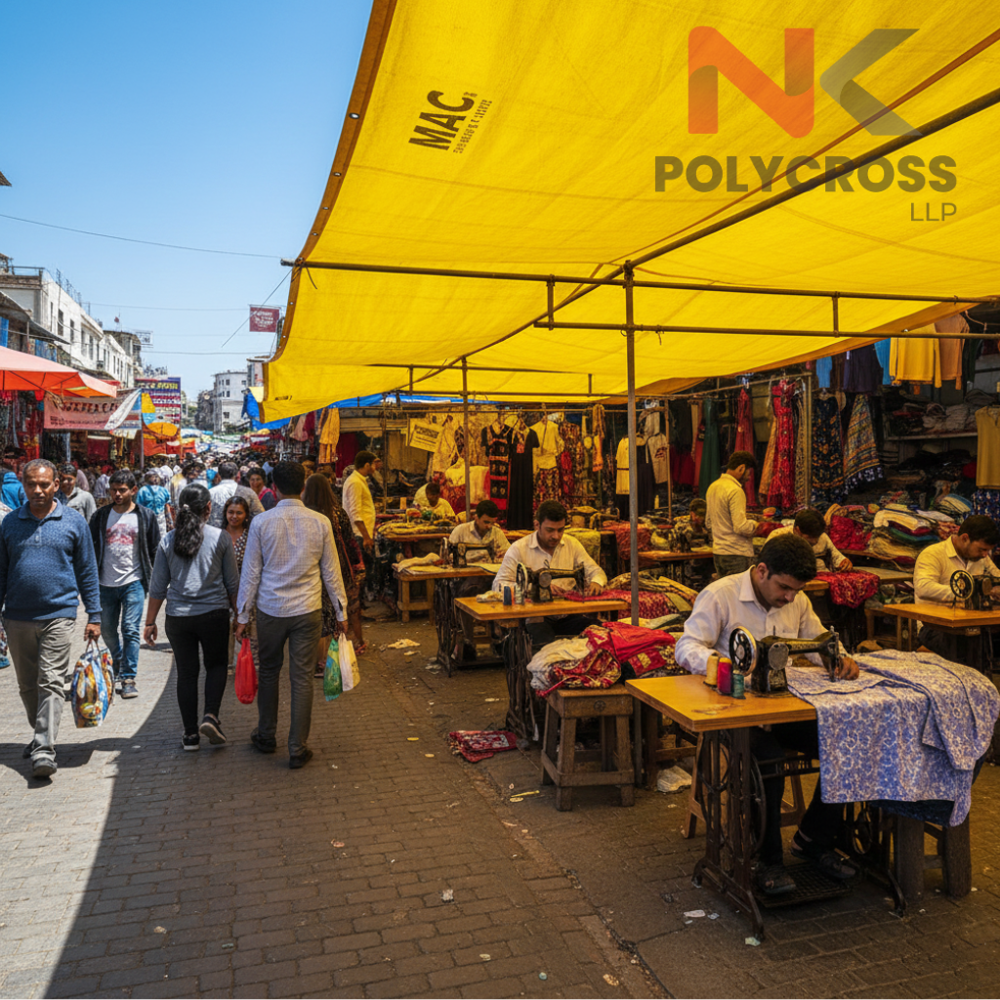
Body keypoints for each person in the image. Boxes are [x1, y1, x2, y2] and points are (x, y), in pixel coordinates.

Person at [675, 533, 860, 895]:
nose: (790, 597)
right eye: (785, 588)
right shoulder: (721, 595)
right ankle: (767, 859)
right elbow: (686, 646)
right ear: (761, 571)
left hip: (782, 707)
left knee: (846, 746)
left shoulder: (797, 600)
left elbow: (817, 640)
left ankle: (813, 840)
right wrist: (724, 667)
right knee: (767, 761)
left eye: (796, 590)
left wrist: (836, 658)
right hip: (733, 712)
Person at [235, 462, 349, 769]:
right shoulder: (320, 522)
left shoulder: (261, 523)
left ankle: (266, 735)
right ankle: (297, 747)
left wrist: (243, 616)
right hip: (307, 610)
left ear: (274, 487)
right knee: (302, 678)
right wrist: (341, 611)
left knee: (269, 672)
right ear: (302, 487)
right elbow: (332, 571)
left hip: (270, 610)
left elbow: (251, 573)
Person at [0, 459, 102, 779]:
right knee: (27, 685)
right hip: (17, 617)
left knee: (51, 681)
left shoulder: (73, 522)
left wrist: (94, 615)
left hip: (59, 614)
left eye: (44, 484)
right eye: (31, 484)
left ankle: (44, 747)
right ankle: (40, 731)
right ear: (23, 485)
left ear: (56, 485)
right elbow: (1, 572)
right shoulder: (10, 523)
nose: (38, 490)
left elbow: (87, 571)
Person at [145, 483, 239, 751]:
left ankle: (189, 735)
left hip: (178, 618)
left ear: (178, 509)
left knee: (186, 673)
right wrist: (241, 617)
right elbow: (233, 584)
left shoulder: (168, 540)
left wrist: (150, 622)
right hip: (214, 615)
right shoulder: (221, 538)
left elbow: (157, 587)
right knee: (216, 666)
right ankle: (210, 716)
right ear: (209, 508)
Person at [493, 499, 607, 648]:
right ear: (537, 525)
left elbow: (595, 571)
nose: (556, 536)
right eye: (550, 530)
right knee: (548, 648)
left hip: (567, 614)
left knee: (603, 634)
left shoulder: (572, 544)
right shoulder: (519, 549)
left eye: (560, 530)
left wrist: (596, 582)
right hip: (536, 616)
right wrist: (534, 588)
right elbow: (499, 585)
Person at [90, 470, 161, 699]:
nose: (117, 494)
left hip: (134, 582)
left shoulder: (146, 516)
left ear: (133, 490)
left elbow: (154, 549)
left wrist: (158, 580)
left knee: (130, 628)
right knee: (107, 630)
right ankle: (119, 661)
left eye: (122, 490)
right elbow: (90, 548)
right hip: (104, 584)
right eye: (113, 490)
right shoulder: (100, 516)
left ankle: (128, 677)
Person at [913, 515, 1000, 663]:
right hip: (937, 627)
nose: (985, 555)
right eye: (982, 549)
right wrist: (968, 593)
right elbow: (923, 588)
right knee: (971, 641)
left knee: (980, 636)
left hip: (972, 623)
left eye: (987, 551)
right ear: (965, 538)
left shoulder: (980, 558)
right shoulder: (933, 554)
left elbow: (997, 577)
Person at [303, 472, 365, 669]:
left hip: (313, 570)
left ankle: (319, 658)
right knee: (343, 609)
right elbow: (350, 542)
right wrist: (357, 566)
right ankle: (349, 647)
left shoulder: (305, 515)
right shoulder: (338, 513)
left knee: (319, 612)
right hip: (339, 569)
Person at [449, 499, 510, 661]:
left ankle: (500, 638)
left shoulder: (496, 533)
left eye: (492, 523)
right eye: (486, 522)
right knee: (467, 594)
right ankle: (468, 641)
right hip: (464, 578)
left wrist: (503, 555)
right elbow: (450, 557)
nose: (489, 526)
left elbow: (508, 553)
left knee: (505, 593)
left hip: (490, 577)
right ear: (476, 517)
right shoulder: (460, 531)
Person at [705, 450, 758, 577]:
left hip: (718, 553)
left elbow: (708, 523)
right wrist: (756, 525)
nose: (749, 477)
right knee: (740, 589)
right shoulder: (735, 490)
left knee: (727, 589)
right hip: (737, 554)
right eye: (749, 473)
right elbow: (740, 527)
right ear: (741, 468)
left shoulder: (713, 487)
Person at [221, 495, 258, 670]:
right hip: (222, 592)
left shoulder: (251, 536)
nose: (234, 516)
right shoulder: (219, 535)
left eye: (239, 513)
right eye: (231, 512)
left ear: (246, 515)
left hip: (247, 590)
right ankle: (226, 664)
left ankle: (245, 665)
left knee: (246, 628)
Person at [769, 508, 853, 572]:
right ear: (797, 530)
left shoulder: (822, 536)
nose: (815, 541)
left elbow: (838, 558)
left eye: (817, 537)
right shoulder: (778, 537)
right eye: (810, 537)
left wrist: (845, 563)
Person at [208, 462, 264, 527]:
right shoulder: (248, 492)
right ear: (238, 474)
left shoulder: (210, 493)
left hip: (216, 531)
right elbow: (260, 515)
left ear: (218, 475)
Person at [343, 450, 377, 556]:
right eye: (374, 464)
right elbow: (355, 513)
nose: (375, 467)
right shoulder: (355, 482)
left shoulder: (359, 480)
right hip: (359, 535)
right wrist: (366, 537)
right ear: (367, 465)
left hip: (362, 533)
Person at [137, 470, 171, 537]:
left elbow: (138, 507)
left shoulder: (142, 491)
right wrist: (170, 521)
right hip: (160, 519)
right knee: (162, 538)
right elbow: (167, 507)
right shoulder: (164, 490)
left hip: (148, 519)